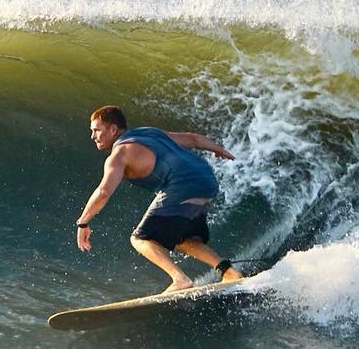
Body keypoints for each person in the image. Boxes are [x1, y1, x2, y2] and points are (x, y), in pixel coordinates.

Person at [75, 105, 243, 293]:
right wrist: (218, 149)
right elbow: (193, 138)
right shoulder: (149, 133)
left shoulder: (119, 155)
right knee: (182, 239)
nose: (93, 136)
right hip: (206, 178)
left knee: (140, 239)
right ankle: (228, 271)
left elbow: (103, 192)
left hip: (182, 185)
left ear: (113, 129)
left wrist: (83, 222)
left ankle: (180, 279)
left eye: (97, 130)